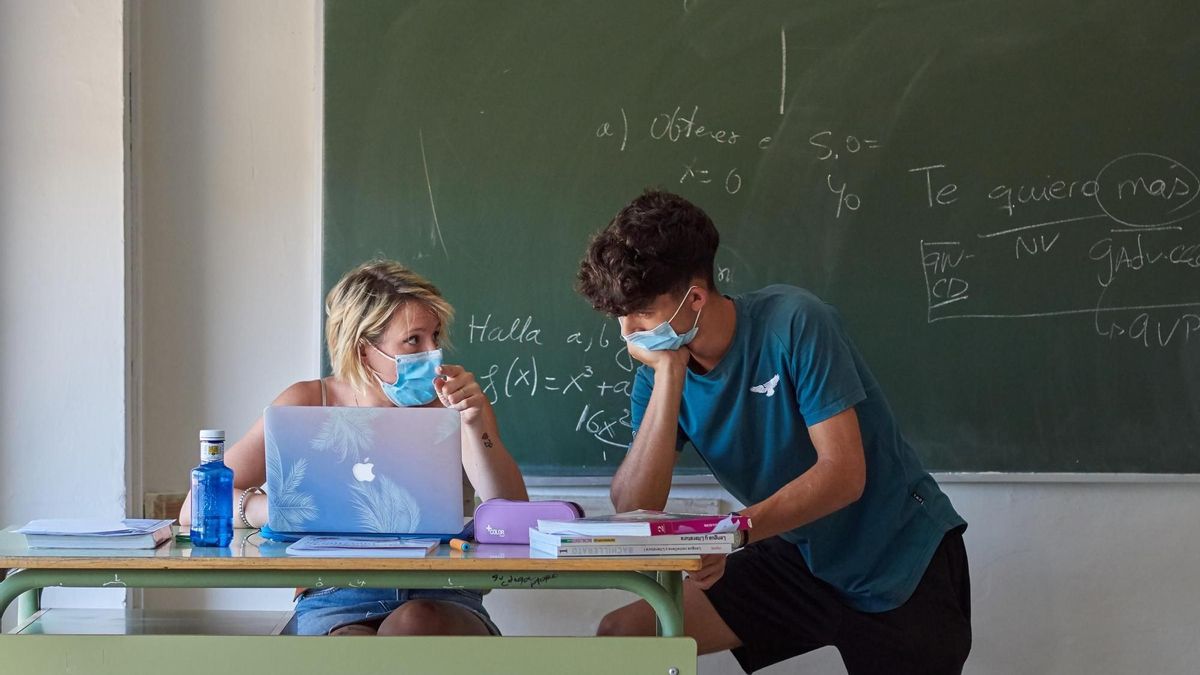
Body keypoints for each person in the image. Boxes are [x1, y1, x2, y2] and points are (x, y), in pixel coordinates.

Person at [576, 190, 970, 674]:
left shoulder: (796, 322)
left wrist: (735, 534)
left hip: (899, 559)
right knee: (623, 634)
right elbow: (634, 505)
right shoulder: (658, 375)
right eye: (620, 316)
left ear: (694, 298)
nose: (628, 333)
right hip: (802, 555)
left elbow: (844, 475)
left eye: (641, 314)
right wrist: (669, 376)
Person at [179, 259, 528, 636]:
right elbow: (194, 507)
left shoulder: (457, 404)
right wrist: (277, 510)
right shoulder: (308, 402)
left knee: (416, 622)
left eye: (435, 336)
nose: (434, 353)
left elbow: (513, 516)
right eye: (414, 340)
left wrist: (475, 424)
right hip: (335, 594)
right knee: (349, 644)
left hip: (441, 593)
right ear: (364, 351)